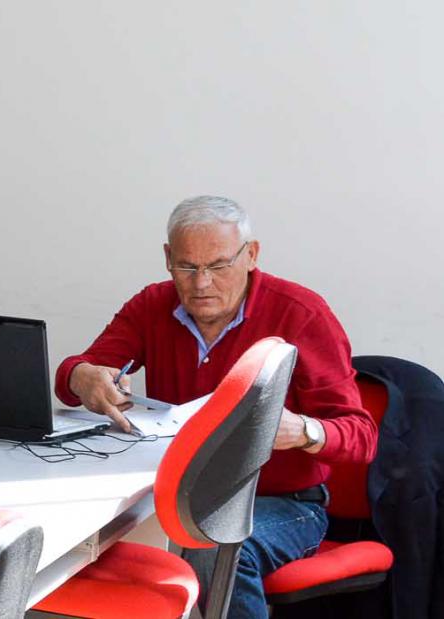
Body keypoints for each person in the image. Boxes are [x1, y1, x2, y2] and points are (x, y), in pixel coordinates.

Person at [57, 195, 376, 618]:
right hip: (171, 497)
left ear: (251, 255)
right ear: (168, 258)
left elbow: (361, 436)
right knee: (82, 543)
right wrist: (81, 376)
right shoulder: (153, 304)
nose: (201, 283)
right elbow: (74, 376)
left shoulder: (302, 314)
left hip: (285, 503)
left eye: (219, 266)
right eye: (187, 267)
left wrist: (301, 430)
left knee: (217, 544)